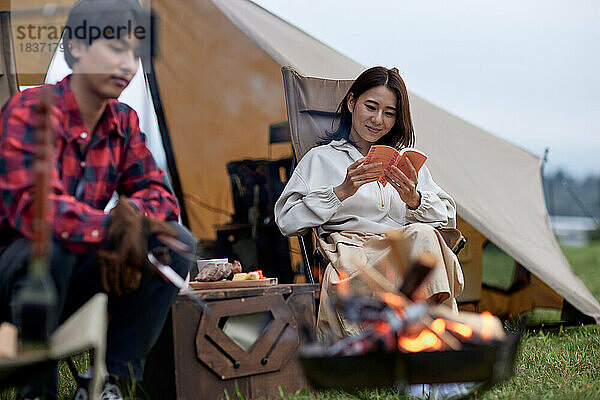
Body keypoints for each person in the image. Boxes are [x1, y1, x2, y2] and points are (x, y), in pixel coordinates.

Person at [0, 0, 195, 397]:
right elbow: (34, 210)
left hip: (75, 271)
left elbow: (159, 196)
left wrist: (135, 219)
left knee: (175, 243)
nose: (128, 64)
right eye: (116, 48)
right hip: (16, 280)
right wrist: (111, 228)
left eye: (136, 53)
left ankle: (113, 381)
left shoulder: (123, 122)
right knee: (46, 248)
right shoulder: (31, 109)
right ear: (75, 47)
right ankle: (37, 389)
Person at [275, 66, 464, 341]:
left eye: (389, 113)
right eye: (371, 107)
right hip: (354, 254)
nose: (378, 120)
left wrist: (415, 200)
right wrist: (340, 191)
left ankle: (428, 340)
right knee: (422, 240)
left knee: (424, 236)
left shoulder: (407, 163)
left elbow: (448, 218)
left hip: (402, 250)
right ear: (352, 103)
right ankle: (425, 340)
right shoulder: (321, 159)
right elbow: (286, 221)